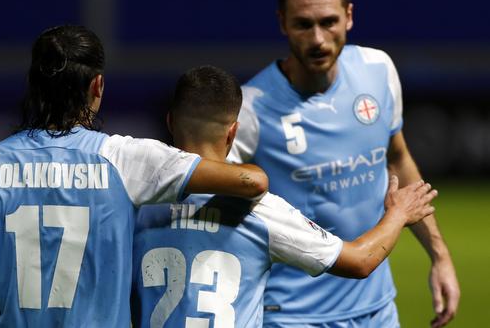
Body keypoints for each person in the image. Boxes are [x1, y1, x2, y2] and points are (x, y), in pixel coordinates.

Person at [0, 25, 270, 328]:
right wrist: (252, 170)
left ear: (34, 85)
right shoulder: (126, 158)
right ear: (98, 85)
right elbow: (250, 183)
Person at [228, 0, 460, 327]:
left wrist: (440, 257)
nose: (318, 38)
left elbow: (397, 160)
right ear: (282, 23)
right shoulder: (251, 107)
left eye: (329, 21)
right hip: (292, 315)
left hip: (377, 309)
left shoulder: (378, 69)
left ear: (349, 16)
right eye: (304, 24)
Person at [131, 65, 437, 328]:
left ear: (170, 122)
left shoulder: (134, 200)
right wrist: (398, 213)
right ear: (232, 133)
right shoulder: (260, 211)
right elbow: (360, 261)